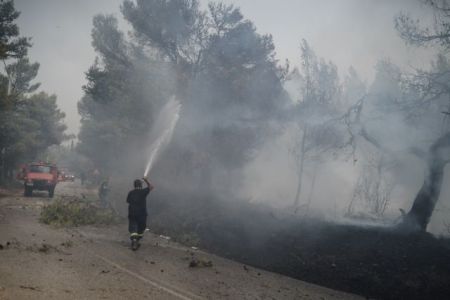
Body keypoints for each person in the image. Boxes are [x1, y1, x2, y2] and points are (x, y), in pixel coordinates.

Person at [126, 176, 154, 250]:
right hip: (142, 214)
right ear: (141, 185)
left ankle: (134, 241)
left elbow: (128, 201)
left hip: (132, 213)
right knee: (141, 228)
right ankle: (136, 241)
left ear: (134, 185)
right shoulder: (143, 191)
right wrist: (146, 180)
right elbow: (151, 187)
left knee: (133, 227)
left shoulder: (131, 193)